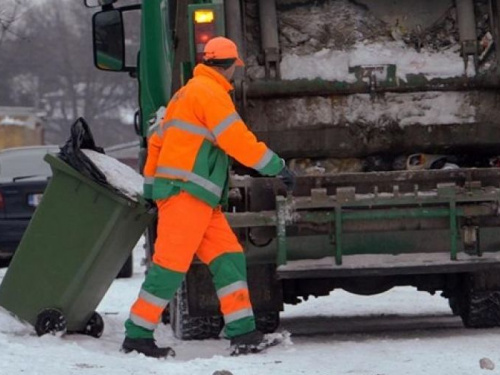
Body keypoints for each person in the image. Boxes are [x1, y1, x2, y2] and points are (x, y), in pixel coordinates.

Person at [121, 36, 295, 358]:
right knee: (170, 266)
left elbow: (156, 142)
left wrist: (150, 191)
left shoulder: (183, 94)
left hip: (196, 198)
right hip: (187, 195)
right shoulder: (211, 94)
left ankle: (244, 334)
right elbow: (237, 140)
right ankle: (137, 335)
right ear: (230, 67)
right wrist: (276, 166)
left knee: (229, 258)